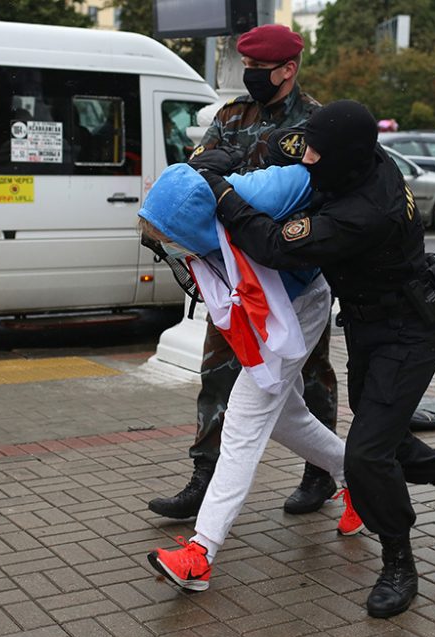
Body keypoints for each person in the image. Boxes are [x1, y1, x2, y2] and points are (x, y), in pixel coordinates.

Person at [190, 100, 435, 618]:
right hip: (369, 326)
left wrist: (221, 193)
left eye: (316, 150)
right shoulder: (349, 155)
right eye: (309, 144)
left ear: (345, 157)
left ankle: (399, 560)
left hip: (410, 332)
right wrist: (228, 164)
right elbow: (284, 150)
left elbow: (271, 245)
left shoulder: (365, 210)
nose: (306, 156)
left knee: (366, 454)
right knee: (386, 438)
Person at [144, 147, 363, 592]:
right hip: (276, 310)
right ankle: (358, 482)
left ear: (190, 221)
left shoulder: (256, 192)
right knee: (285, 419)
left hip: (300, 306)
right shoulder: (201, 221)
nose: (171, 249)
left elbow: (317, 177)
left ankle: (200, 554)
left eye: (169, 238)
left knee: (242, 421)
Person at [147, 24, 341, 522]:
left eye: (257, 69)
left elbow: (329, 193)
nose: (248, 76)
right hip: (233, 271)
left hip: (292, 271)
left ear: (288, 69)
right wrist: (209, 164)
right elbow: (194, 173)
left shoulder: (317, 123)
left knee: (312, 376)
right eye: (246, 68)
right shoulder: (233, 116)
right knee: (216, 368)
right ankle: (202, 477)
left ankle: (320, 475)